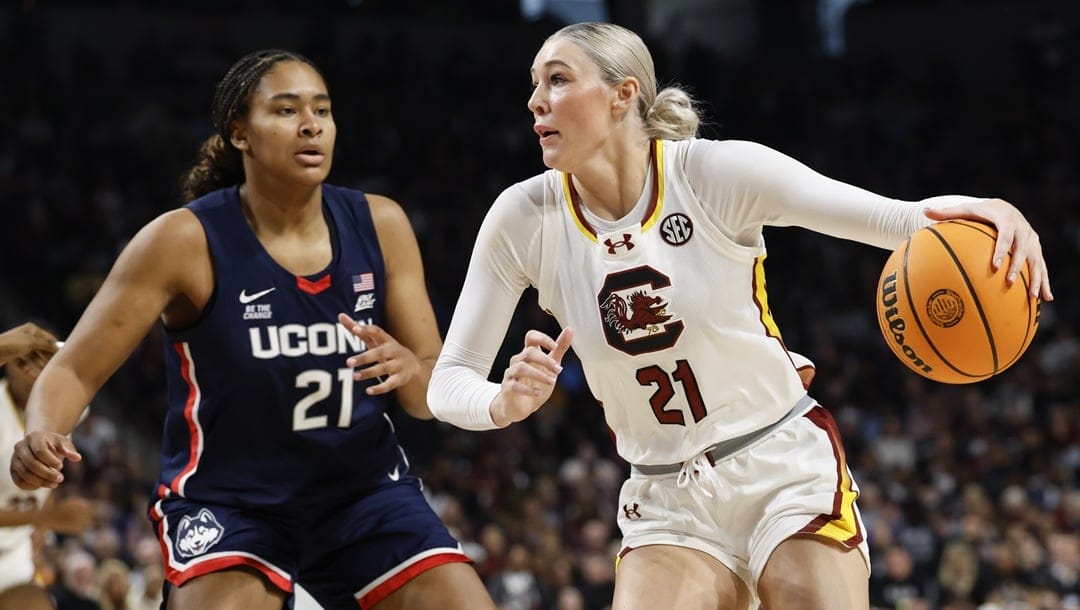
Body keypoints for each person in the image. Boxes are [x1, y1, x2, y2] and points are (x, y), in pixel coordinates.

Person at [426, 22, 1053, 610]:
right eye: (534, 85)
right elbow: (449, 380)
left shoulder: (714, 174)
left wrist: (994, 210)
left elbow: (897, 220)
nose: (536, 100)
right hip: (666, 494)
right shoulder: (521, 218)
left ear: (623, 95)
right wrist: (500, 405)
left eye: (557, 79)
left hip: (780, 462)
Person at [10, 49, 495, 610]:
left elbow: (429, 394)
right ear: (240, 133)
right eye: (287, 111)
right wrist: (42, 429)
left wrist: (415, 369)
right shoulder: (182, 241)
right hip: (231, 503)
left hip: (363, 495)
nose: (311, 124)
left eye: (323, 110)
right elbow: (73, 367)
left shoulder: (380, 224)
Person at [0, 332, 94, 610]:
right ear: (9, 363)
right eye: (29, 360)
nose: (37, 371)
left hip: (16, 551)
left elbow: (46, 478)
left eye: (47, 361)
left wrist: (41, 523)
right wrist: (47, 517)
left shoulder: (68, 410)